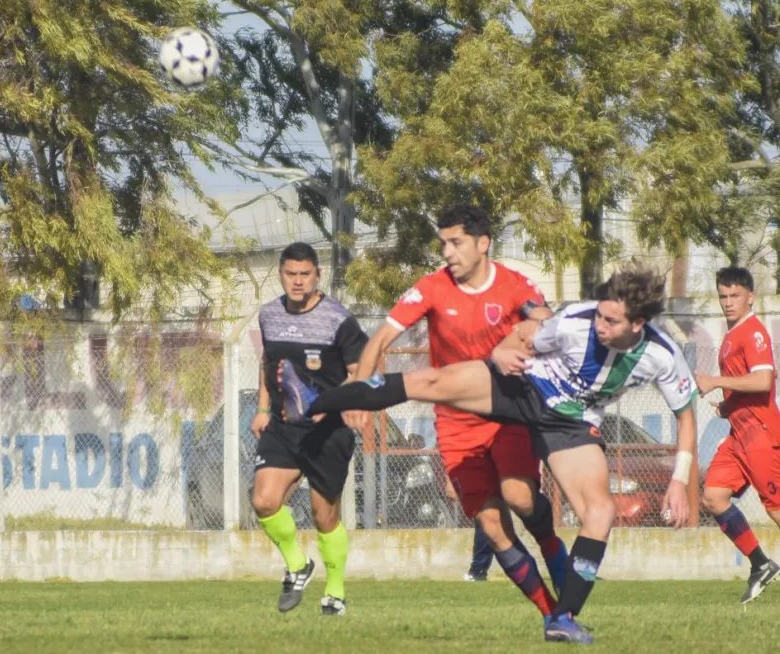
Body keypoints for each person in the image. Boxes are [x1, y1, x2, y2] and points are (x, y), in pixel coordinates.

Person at [280, 260, 697, 644]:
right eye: (600, 314)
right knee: (430, 382)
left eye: (611, 320)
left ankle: (563, 618)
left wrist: (679, 481)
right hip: (524, 387)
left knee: (600, 512)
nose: (600, 324)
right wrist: (501, 350)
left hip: (570, 424)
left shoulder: (663, 355)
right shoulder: (576, 320)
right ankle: (314, 400)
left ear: (638, 323)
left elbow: (686, 417)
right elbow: (527, 333)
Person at [341, 204, 566, 619]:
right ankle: (554, 615)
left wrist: (539, 325)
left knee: (519, 497)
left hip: (508, 412)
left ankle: (553, 547)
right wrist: (357, 395)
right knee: (492, 526)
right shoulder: (431, 287)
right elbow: (382, 338)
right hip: (455, 422)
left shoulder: (515, 285)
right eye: (443, 243)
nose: (447, 252)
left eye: (456, 242)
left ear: (483, 244)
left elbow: (545, 319)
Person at [250, 242, 368, 616]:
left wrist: (337, 403)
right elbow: (268, 363)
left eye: (305, 274)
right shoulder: (269, 315)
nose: (297, 281)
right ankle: (298, 566)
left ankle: (335, 592)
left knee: (324, 516)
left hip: (328, 431)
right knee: (264, 501)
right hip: (283, 427)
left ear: (318, 275)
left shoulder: (338, 319)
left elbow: (361, 370)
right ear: (281, 275)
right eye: (291, 274)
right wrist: (262, 409)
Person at [694, 267, 780, 603]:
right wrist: (728, 406)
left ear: (750, 298)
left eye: (735, 295)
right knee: (713, 496)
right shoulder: (731, 336)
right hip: (738, 435)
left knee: (775, 509)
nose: (728, 302)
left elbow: (763, 381)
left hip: (760, 434)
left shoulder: (753, 332)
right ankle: (761, 564)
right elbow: (746, 387)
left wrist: (715, 381)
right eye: (723, 296)